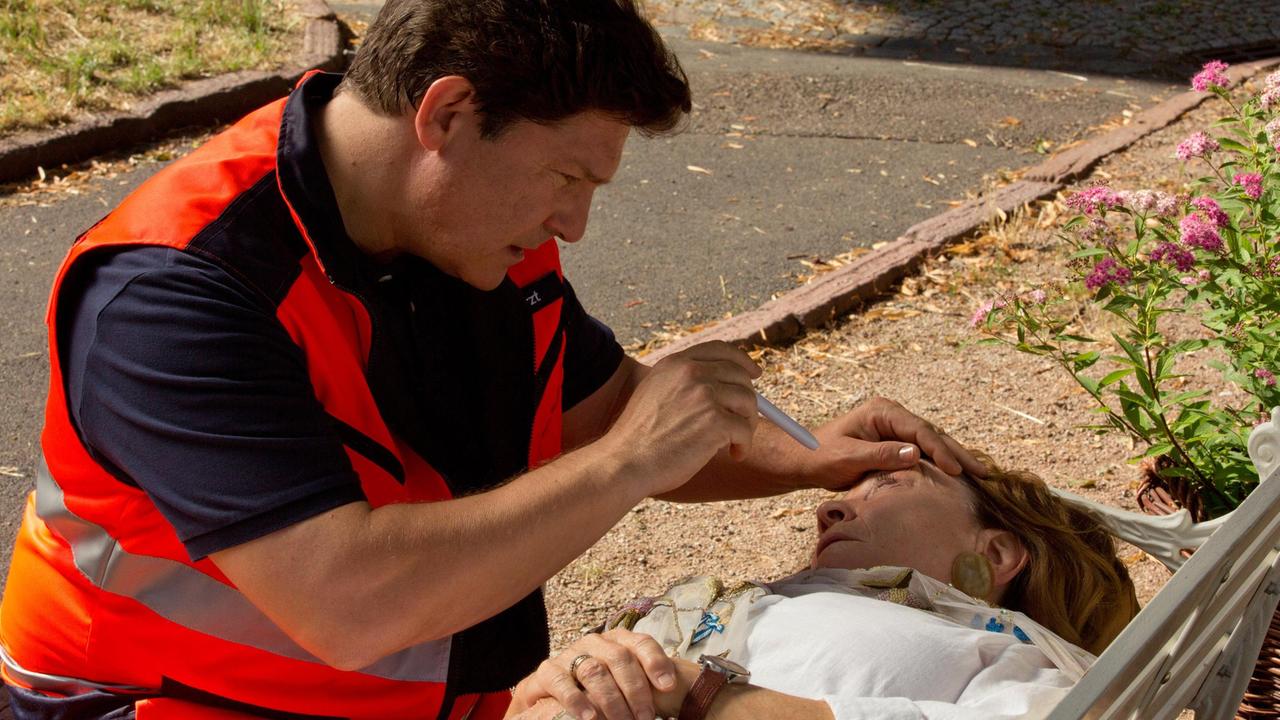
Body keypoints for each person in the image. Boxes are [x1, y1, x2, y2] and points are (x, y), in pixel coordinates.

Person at [0, 1, 986, 719]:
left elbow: (596, 411)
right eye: (566, 177)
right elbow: (348, 603)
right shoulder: (177, 291)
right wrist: (630, 462)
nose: (574, 223)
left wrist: (803, 457)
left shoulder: (466, 231)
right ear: (446, 115)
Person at [507, 452, 1140, 720]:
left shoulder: (1006, 652)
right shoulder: (790, 599)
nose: (827, 509)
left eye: (888, 485)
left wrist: (709, 697)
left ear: (996, 550)